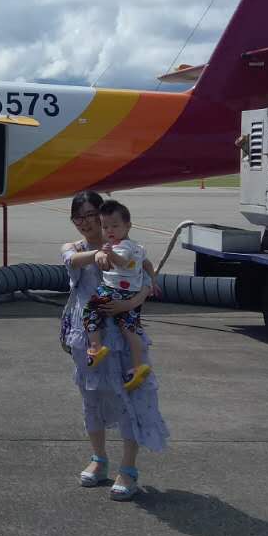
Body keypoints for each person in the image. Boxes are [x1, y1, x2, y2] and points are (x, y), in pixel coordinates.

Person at [61, 190, 168, 501]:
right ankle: (98, 459)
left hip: (122, 333)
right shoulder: (77, 249)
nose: (85, 223)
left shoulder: (126, 248)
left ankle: (128, 468)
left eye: (90, 216)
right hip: (88, 334)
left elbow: (145, 278)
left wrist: (133, 301)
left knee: (130, 399)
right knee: (91, 397)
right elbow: (71, 258)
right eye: (77, 218)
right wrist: (94, 255)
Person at [85, 200, 152, 390]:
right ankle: (138, 366)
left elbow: (122, 262)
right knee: (129, 329)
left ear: (128, 226)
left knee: (90, 311)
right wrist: (152, 280)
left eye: (115, 226)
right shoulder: (138, 247)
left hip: (114, 290)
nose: (110, 231)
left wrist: (109, 253)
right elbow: (146, 264)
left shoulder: (120, 246)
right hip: (131, 294)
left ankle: (95, 347)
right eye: (105, 227)